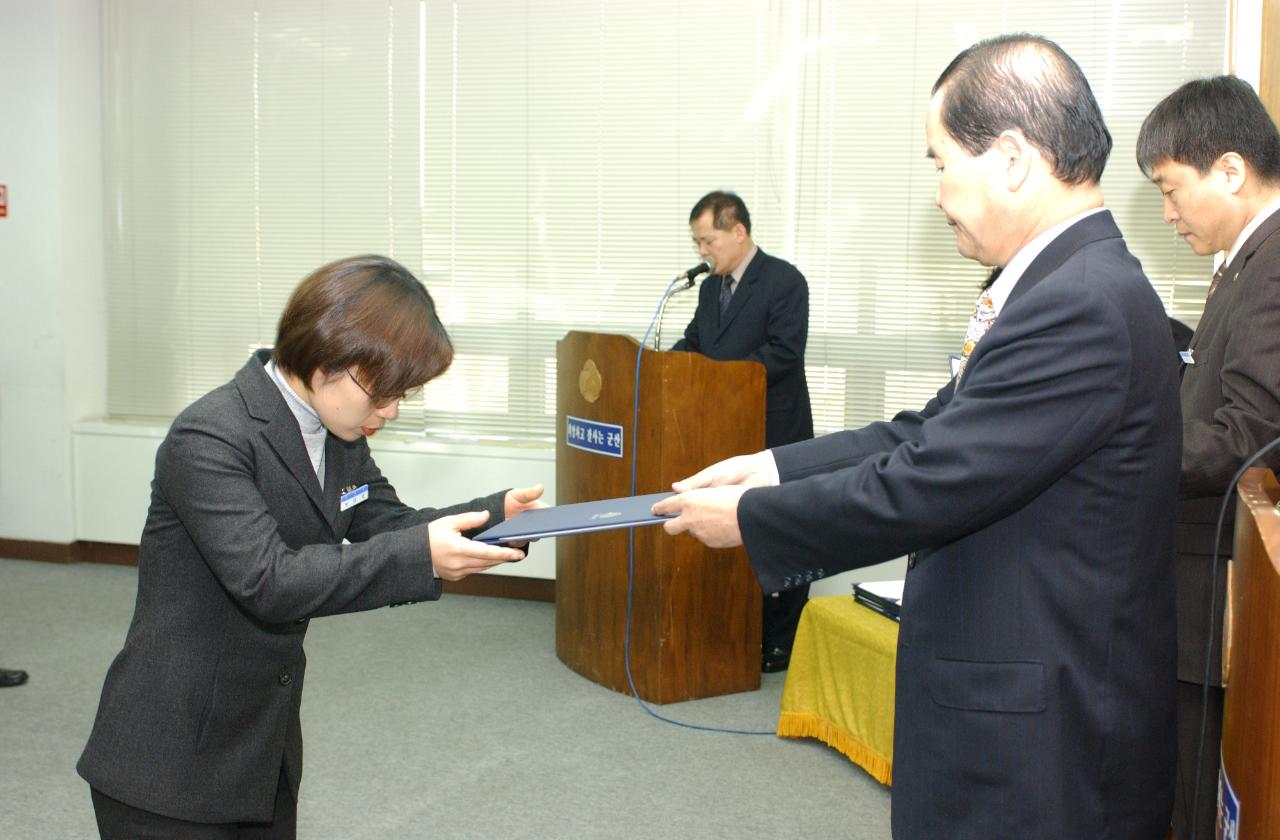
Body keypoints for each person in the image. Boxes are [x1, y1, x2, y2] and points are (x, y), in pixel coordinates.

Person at [655, 34, 1182, 839]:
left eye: (940, 163)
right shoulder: (1061, 281)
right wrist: (768, 468)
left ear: (1009, 157)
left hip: (1045, 734)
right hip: (1018, 695)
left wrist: (751, 520)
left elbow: (929, 479)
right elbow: (929, 429)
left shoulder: (1080, 301)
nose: (936, 193)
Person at [77, 255, 545, 838]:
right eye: (383, 391)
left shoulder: (338, 432)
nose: (392, 411)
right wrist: (423, 553)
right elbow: (269, 580)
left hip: (260, 747)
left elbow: (387, 522)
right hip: (170, 758)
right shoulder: (210, 435)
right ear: (326, 357)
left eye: (405, 394)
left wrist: (499, 519)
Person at [1136, 75, 1280, 840]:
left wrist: (1125, 446)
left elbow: (1248, 434)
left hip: (1224, 580)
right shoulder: (1245, 258)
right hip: (1198, 574)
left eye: (1170, 188)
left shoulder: (1275, 261)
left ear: (1229, 169)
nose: (1166, 213)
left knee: (1200, 806)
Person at [672, 190, 814, 672]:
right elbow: (696, 343)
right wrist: (652, 365)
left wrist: (722, 377)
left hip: (775, 428)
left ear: (738, 232)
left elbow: (784, 352)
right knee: (729, 527)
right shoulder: (711, 289)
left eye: (707, 240)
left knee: (780, 528)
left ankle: (779, 639)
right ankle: (736, 628)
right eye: (696, 243)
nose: (702, 252)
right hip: (722, 429)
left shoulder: (784, 281)